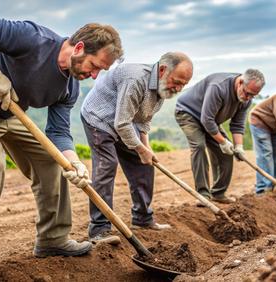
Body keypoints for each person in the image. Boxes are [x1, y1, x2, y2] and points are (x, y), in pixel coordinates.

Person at [0, 12, 123, 282]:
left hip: (7, 112)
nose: (94, 76)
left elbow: (58, 132)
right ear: (80, 48)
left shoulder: (69, 87)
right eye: (95, 66)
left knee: (54, 161)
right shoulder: (34, 39)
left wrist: (74, 161)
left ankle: (53, 239)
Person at [80, 52, 193, 244]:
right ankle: (99, 230)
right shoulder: (135, 79)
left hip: (122, 121)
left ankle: (143, 219)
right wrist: (140, 148)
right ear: (163, 70)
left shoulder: (163, 86)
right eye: (177, 81)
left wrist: (146, 149)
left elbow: (143, 120)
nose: (178, 88)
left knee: (144, 164)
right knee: (107, 165)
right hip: (98, 118)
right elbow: (122, 124)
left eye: (183, 85)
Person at [175, 69, 265, 204]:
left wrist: (238, 147)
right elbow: (206, 120)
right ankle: (203, 195)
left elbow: (237, 124)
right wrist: (223, 142)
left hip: (211, 120)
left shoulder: (246, 99)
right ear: (240, 82)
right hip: (189, 113)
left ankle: (218, 193)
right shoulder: (218, 87)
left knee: (228, 153)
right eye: (247, 93)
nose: (248, 98)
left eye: (253, 96)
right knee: (199, 146)